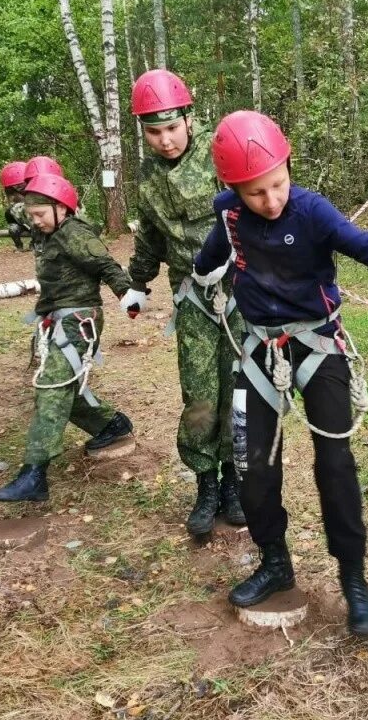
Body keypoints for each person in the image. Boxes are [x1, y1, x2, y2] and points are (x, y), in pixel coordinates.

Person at [194, 110, 368, 636]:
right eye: (254, 193)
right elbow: (210, 257)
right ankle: (274, 560)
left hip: (319, 346)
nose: (270, 201)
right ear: (233, 189)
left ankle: (353, 578)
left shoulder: (312, 212)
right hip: (259, 350)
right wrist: (203, 275)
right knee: (250, 463)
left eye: (277, 185)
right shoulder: (228, 216)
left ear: (289, 166)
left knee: (334, 463)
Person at [121, 69, 245, 539]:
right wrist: (137, 284)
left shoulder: (221, 152)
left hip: (238, 291)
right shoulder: (149, 176)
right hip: (190, 297)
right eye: (154, 132)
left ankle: (234, 482)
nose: (165, 140)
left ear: (189, 119)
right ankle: (205, 485)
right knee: (198, 394)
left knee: (237, 388)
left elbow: (255, 202)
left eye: (172, 128)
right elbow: (150, 236)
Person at [0, 173, 135, 502]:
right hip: (59, 319)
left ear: (61, 208)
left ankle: (33, 474)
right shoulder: (50, 231)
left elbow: (107, 265)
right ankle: (112, 425)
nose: (35, 222)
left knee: (52, 387)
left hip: (80, 322)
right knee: (63, 387)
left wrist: (128, 295)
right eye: (32, 215)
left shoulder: (75, 233)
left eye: (40, 215)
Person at [0, 161, 31, 251]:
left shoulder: (34, 192)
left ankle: (35, 244)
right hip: (22, 220)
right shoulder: (12, 205)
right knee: (13, 228)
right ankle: (19, 246)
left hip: (33, 221)